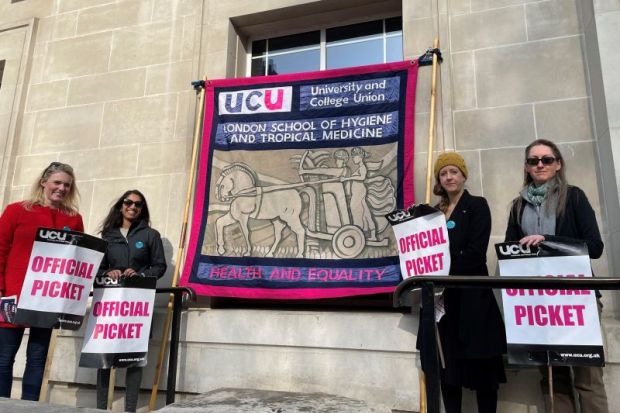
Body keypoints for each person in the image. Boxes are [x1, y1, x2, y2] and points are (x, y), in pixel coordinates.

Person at [504, 139, 608, 413]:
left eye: (546, 159)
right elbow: (509, 254)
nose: (540, 164)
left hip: (577, 301)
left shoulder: (574, 196)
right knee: (552, 378)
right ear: (526, 167)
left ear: (558, 164)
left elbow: (594, 246)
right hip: (538, 305)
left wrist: (548, 241)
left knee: (586, 376)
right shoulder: (517, 206)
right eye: (533, 160)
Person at [418, 152, 507, 413]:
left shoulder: (477, 205)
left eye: (453, 172)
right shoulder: (433, 214)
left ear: (463, 175)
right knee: (447, 370)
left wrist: (441, 265)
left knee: (483, 373)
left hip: (473, 301)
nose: (449, 177)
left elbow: (476, 252)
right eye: (443, 173)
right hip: (444, 303)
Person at [0, 162, 84, 400]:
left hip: (47, 300)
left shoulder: (74, 219)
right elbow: (1, 249)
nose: (61, 188)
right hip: (13, 295)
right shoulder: (16, 211)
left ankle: (30, 407)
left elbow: (77, 261)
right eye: (57, 182)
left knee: (37, 360)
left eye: (67, 185)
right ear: (43, 182)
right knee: (4, 358)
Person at [96, 189, 166, 413]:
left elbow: (159, 266)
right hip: (111, 302)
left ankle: (130, 409)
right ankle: (100, 408)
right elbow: (99, 267)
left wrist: (141, 275)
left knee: (134, 356)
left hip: (138, 303)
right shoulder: (108, 235)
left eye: (138, 204)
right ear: (121, 205)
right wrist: (109, 273)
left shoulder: (150, 235)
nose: (133, 207)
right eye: (128, 202)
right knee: (105, 355)